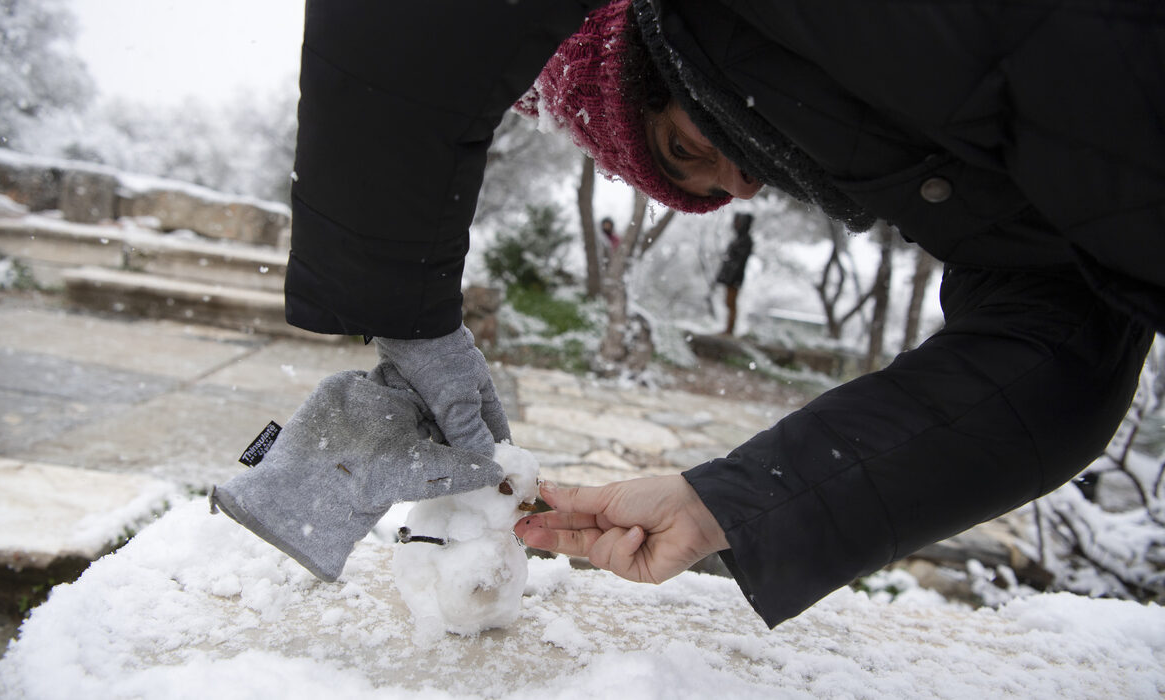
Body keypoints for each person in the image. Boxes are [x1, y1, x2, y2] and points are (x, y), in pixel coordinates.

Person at [234, 0, 1163, 629]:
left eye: (687, 145)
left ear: (656, 52)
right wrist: (729, 501)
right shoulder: (977, 182)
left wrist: (402, 303)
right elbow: (1059, 347)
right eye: (711, 177)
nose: (745, 174)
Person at [715, 212, 754, 335]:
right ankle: (728, 328)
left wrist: (729, 277)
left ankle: (729, 330)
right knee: (728, 302)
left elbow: (737, 262)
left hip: (734, 278)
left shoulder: (745, 240)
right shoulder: (740, 239)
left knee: (731, 303)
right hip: (731, 277)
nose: (735, 225)